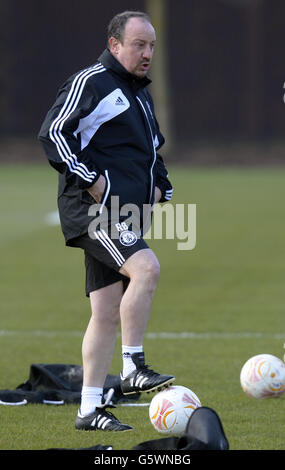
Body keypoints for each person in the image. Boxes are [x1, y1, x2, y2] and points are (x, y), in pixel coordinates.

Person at [38, 10, 174, 432]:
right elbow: (53, 132)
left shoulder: (140, 94)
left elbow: (153, 153)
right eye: (139, 44)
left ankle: (89, 410)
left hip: (126, 212)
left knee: (105, 311)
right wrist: (91, 180)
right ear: (115, 44)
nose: (147, 52)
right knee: (146, 268)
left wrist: (161, 189)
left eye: (151, 45)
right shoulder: (92, 82)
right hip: (93, 209)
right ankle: (133, 367)